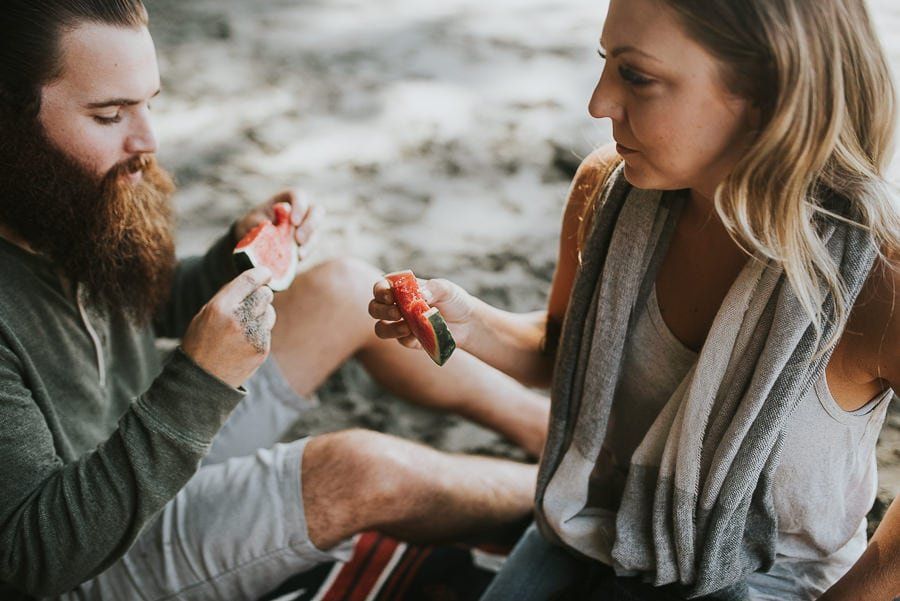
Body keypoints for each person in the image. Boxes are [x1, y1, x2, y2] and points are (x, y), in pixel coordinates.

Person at [0, 2, 551, 599]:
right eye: (110, 116)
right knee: (359, 471)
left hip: (145, 448)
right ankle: (574, 499)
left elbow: (141, 300)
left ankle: (558, 437)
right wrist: (200, 380)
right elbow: (35, 557)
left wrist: (236, 254)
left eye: (149, 104)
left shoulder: (46, 203)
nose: (148, 141)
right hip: (90, 553)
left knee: (343, 287)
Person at [371, 0, 900, 598]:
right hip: (593, 525)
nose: (598, 103)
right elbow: (568, 351)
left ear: (765, 90)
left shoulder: (875, 278)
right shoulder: (608, 194)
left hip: (769, 582)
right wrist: (469, 326)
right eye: (605, 63)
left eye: (636, 75)